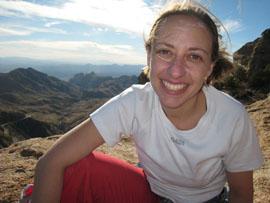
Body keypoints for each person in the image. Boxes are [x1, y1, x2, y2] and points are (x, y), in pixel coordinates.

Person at [31, 1, 263, 203]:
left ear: (209, 67)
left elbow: (242, 194)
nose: (176, 71)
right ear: (148, 55)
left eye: (194, 56)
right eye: (165, 52)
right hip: (148, 194)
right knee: (73, 168)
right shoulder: (136, 102)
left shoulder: (231, 116)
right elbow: (50, 163)